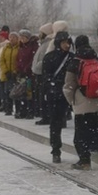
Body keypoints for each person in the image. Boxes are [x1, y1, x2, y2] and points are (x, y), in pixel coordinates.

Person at [63, 35, 98, 170]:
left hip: (81, 100)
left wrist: (71, 101)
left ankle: (84, 160)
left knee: (80, 134)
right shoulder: (97, 59)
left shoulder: (75, 61)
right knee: (92, 126)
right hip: (96, 99)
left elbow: (69, 85)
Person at [42, 31, 73, 163]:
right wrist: (51, 87)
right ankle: (56, 149)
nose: (67, 45)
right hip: (55, 94)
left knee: (60, 121)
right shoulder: (50, 57)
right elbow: (45, 76)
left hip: (68, 93)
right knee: (55, 122)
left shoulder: (72, 57)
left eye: (68, 42)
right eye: (64, 42)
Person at [32, 23, 54, 124]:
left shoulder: (49, 43)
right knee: (41, 96)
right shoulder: (43, 43)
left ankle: (46, 116)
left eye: (41, 32)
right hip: (39, 72)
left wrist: (37, 67)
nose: (39, 34)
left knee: (43, 96)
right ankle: (44, 115)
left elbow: (45, 59)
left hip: (42, 73)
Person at [15, 29, 38, 119]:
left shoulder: (32, 47)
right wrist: (18, 68)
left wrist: (26, 68)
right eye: (21, 37)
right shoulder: (21, 47)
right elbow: (18, 59)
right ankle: (23, 110)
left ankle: (30, 111)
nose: (22, 39)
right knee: (22, 92)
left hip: (29, 73)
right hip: (21, 73)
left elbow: (33, 59)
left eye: (24, 37)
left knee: (29, 93)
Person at [0, 32, 20, 116]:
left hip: (16, 74)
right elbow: (1, 60)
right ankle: (8, 109)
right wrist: (6, 71)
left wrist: (15, 71)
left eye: (14, 37)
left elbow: (19, 61)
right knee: (7, 91)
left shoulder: (19, 48)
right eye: (10, 37)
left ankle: (18, 109)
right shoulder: (6, 48)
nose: (11, 39)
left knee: (17, 92)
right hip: (7, 74)